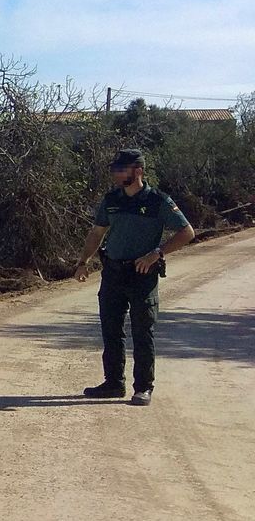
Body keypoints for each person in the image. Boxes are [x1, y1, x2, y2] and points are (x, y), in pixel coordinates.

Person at [73, 148, 195, 405]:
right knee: (111, 330)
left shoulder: (158, 201)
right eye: (115, 169)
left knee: (142, 331)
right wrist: (83, 262)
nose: (116, 173)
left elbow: (187, 232)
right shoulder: (111, 200)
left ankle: (143, 387)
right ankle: (113, 383)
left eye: (121, 169)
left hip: (142, 275)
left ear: (137, 171)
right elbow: (97, 233)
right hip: (113, 272)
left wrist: (158, 253)